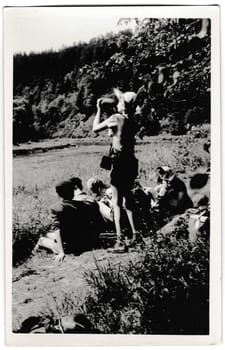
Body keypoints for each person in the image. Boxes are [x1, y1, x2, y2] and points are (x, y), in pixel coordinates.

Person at [92, 89, 139, 252]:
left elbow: (95, 128)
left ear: (122, 103)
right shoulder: (133, 119)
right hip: (131, 162)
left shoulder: (115, 118)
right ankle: (135, 236)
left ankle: (120, 241)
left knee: (117, 203)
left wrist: (98, 110)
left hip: (119, 164)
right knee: (129, 200)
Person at [33, 180, 103, 262]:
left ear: (58, 194)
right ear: (73, 191)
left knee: (42, 239)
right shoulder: (83, 205)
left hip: (69, 246)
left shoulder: (56, 208)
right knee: (48, 234)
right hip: (86, 241)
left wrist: (62, 252)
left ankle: (34, 254)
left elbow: (57, 230)